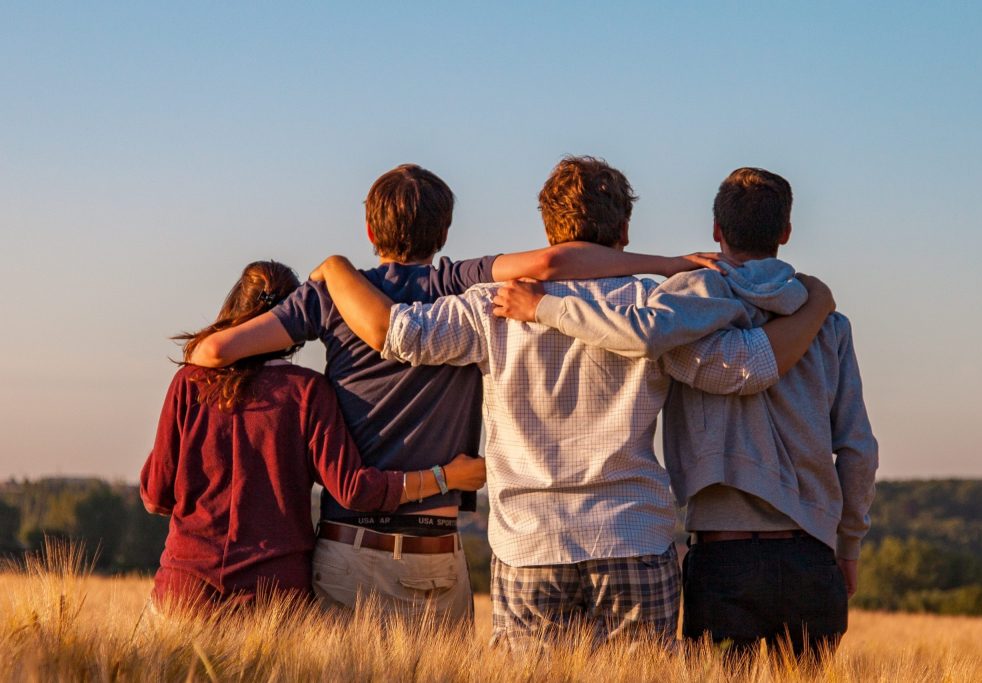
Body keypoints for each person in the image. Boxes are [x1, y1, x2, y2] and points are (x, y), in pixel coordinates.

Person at [309, 157, 835, 648]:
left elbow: (398, 334)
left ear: (547, 231)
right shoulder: (656, 308)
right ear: (624, 233)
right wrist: (815, 307)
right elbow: (743, 369)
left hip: (529, 545)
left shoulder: (489, 306)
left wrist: (335, 269)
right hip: (632, 536)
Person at [186, 164, 722, 623]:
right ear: (444, 231)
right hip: (438, 550)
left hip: (351, 543)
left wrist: (328, 275)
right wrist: (667, 264)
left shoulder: (330, 296)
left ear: (369, 229)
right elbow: (553, 264)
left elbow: (212, 355)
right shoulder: (458, 283)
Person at [494, 167, 878, 658]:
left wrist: (545, 307)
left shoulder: (682, 308)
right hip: (812, 555)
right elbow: (858, 449)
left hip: (723, 557)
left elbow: (639, 334)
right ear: (785, 233)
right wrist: (848, 544)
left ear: (717, 230)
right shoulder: (828, 323)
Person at [141, 260, 485, 612]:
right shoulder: (307, 391)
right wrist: (446, 477)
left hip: (184, 589)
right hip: (274, 597)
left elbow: (156, 497)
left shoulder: (190, 383)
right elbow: (354, 490)